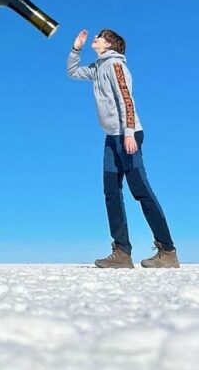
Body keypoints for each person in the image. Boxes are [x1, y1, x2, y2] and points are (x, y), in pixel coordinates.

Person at [68, 29, 179, 269]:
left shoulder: (116, 66)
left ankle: (167, 251)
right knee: (111, 192)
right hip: (111, 137)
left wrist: (129, 134)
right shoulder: (97, 67)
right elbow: (73, 72)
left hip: (128, 136)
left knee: (140, 191)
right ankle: (121, 252)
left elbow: (126, 99)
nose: (95, 39)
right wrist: (76, 49)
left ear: (110, 45)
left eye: (99, 37)